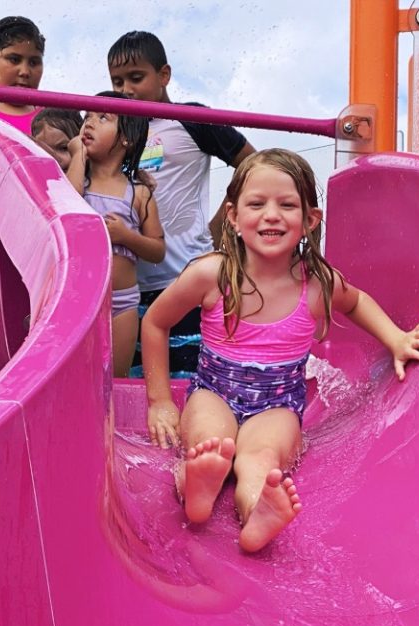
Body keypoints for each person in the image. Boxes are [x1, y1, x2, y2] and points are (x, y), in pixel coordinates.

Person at [141, 149, 419, 553]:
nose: (271, 215)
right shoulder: (211, 275)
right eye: (257, 203)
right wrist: (159, 400)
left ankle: (258, 512)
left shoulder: (316, 284)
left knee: (262, 460)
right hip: (214, 393)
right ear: (233, 216)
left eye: (287, 205)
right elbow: (156, 322)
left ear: (309, 220)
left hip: (277, 404)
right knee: (208, 439)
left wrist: (397, 339)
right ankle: (197, 491)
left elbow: (358, 301)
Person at [107, 30, 256, 377]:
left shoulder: (192, 119)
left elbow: (254, 165)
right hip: (132, 285)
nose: (125, 89)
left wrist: (223, 222)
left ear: (164, 75)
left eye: (136, 78)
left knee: (189, 376)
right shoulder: (120, 132)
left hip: (186, 275)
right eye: (117, 82)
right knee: (140, 382)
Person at [66, 93, 165, 377]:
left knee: (116, 378)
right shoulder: (76, 180)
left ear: (127, 139)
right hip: (77, 297)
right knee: (77, 374)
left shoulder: (139, 192)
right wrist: (76, 156)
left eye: (102, 118)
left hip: (123, 301)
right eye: (87, 117)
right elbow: (68, 209)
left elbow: (157, 250)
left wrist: (126, 237)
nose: (89, 123)